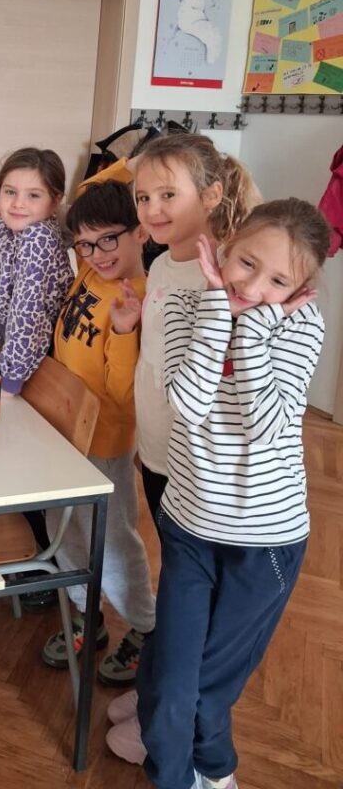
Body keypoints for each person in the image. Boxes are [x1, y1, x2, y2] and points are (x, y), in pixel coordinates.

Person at [134, 199, 329, 789]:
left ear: (300, 289)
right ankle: (174, 776)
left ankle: (214, 769)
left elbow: (265, 425)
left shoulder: (301, 325)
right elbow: (189, 404)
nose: (255, 286)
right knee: (173, 678)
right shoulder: (184, 305)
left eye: (278, 282)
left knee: (209, 687)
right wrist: (222, 310)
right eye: (247, 263)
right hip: (189, 527)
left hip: (264, 542)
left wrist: (254, 328)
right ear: (227, 243)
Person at [104, 132, 260, 764]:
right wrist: (134, 322)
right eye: (143, 197)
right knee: (176, 587)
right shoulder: (166, 262)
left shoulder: (225, 268)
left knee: (193, 604)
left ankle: (174, 719)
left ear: (213, 194)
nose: (152, 209)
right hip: (159, 456)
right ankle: (157, 696)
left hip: (201, 474)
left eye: (169, 195)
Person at [40, 179, 156, 687]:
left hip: (104, 442)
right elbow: (87, 195)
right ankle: (87, 613)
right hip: (60, 428)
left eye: (109, 238)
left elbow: (124, 395)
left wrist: (126, 330)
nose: (97, 252)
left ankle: (144, 626)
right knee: (63, 527)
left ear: (140, 232)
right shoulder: (90, 268)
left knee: (112, 542)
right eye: (85, 243)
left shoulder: (142, 296)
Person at [0, 147, 73, 394]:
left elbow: (28, 315)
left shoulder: (39, 238)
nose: (18, 204)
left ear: (55, 201)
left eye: (33, 195)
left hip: (39, 359)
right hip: (9, 353)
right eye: (10, 192)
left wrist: (10, 378)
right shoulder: (1, 228)